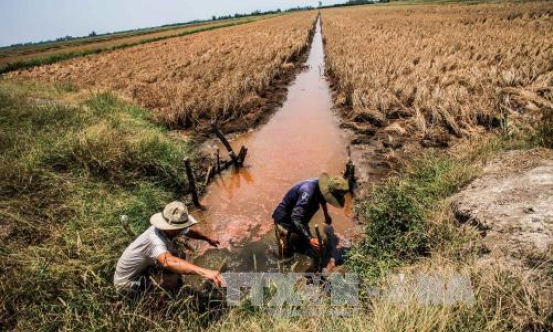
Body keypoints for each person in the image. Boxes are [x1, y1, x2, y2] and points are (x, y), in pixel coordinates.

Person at [114, 201, 225, 292]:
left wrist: (207, 239)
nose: (183, 229)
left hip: (143, 269)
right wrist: (205, 272)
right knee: (172, 281)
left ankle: (168, 284)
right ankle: (164, 304)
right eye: (181, 227)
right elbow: (168, 261)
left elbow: (189, 232)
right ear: (171, 228)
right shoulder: (155, 240)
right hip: (127, 283)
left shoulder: (168, 229)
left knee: (179, 255)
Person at [272, 172, 349, 257]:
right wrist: (310, 239)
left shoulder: (322, 187)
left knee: (303, 244)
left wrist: (326, 214)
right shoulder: (308, 191)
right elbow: (295, 218)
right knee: (285, 251)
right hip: (284, 219)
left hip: (301, 218)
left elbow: (322, 199)